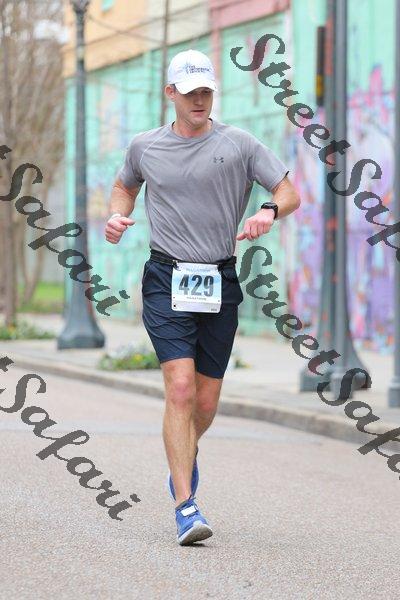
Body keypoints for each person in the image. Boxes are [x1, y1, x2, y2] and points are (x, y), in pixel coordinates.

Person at [105, 49, 300, 545]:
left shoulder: (239, 144)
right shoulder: (146, 146)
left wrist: (268, 212)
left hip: (219, 280)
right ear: (170, 93)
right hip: (165, 277)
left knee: (206, 402)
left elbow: (289, 192)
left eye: (206, 92)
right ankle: (185, 505)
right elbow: (124, 186)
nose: (199, 100)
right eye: (190, 92)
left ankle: (182, 460)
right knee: (181, 389)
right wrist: (117, 215)